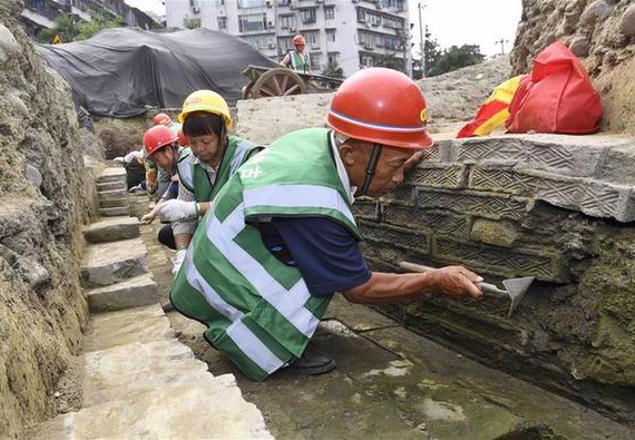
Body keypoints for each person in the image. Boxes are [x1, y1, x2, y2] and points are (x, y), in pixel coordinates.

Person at [168, 68, 484, 382]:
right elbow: (359, 288)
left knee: (320, 263)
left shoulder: (314, 142)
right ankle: (261, 343)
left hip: (207, 267)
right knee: (324, 277)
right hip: (217, 286)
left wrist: (394, 160)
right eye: (396, 166)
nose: (399, 177)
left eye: (403, 164)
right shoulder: (314, 205)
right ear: (349, 153)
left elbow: (347, 177)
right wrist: (432, 280)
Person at [151, 90, 262, 275]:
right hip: (212, 231)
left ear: (222, 133)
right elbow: (184, 218)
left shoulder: (247, 156)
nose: (199, 149)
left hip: (245, 234)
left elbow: (248, 206)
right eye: (193, 142)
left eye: (206, 141)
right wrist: (182, 254)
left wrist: (194, 208)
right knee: (168, 234)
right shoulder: (187, 164)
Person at [139, 125, 182, 250]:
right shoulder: (175, 166)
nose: (158, 165)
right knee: (165, 234)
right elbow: (172, 189)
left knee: (168, 234)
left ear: (168, 150)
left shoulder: (186, 163)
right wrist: (153, 213)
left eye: (157, 159)